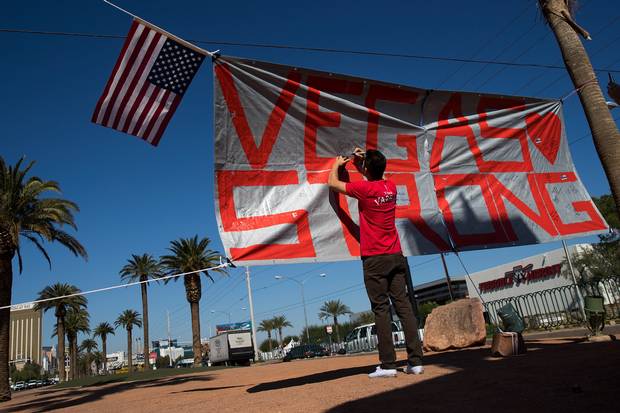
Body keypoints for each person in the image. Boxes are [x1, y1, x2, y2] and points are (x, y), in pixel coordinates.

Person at [328, 148, 424, 378]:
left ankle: (389, 366)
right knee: (404, 307)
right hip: (396, 255)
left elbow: (333, 184)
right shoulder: (390, 187)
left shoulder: (365, 189)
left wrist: (337, 164)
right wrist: (362, 163)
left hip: (374, 258)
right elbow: (374, 175)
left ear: (368, 169)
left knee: (381, 310)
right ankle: (416, 363)